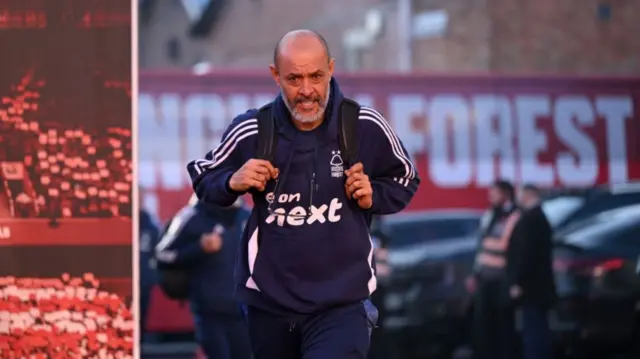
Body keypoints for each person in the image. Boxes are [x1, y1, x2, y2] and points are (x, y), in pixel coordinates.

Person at [186, 29, 420, 359]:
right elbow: (202, 174)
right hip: (269, 305)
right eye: (294, 79)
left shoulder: (362, 125)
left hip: (341, 305)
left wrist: (373, 195)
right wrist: (231, 182)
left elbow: (406, 178)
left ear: (331, 69)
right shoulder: (253, 129)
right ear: (275, 76)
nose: (307, 90)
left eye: (316, 76)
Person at [155, 195, 251, 359]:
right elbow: (162, 255)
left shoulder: (247, 216)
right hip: (209, 310)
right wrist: (199, 248)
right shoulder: (190, 216)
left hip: (243, 310)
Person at [466, 180, 520, 359]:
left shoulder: (514, 216)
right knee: (483, 324)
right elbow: (481, 247)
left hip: (502, 279)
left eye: (494, 193)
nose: (490, 196)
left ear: (505, 194)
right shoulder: (490, 215)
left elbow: (509, 248)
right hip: (485, 278)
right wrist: (475, 274)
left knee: (503, 325)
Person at [507, 184, 556, 359]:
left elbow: (526, 254)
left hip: (531, 288)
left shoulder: (531, 220)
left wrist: (517, 282)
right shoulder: (540, 218)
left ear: (528, 195)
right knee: (538, 328)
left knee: (534, 331)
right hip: (539, 288)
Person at [139, 208, 160, 342]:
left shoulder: (150, 226)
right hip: (127, 278)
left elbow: (157, 252)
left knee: (142, 316)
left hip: (144, 280)